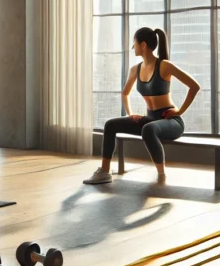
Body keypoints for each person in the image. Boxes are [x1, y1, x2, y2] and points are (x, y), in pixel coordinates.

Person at [84, 27, 201, 185]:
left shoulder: (164, 65)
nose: (133, 46)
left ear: (143, 45)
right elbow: (125, 93)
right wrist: (130, 113)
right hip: (151, 120)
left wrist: (179, 111)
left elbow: (194, 86)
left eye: (135, 43)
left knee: (149, 129)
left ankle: (161, 176)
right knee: (110, 125)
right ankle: (104, 172)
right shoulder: (135, 70)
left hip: (171, 122)